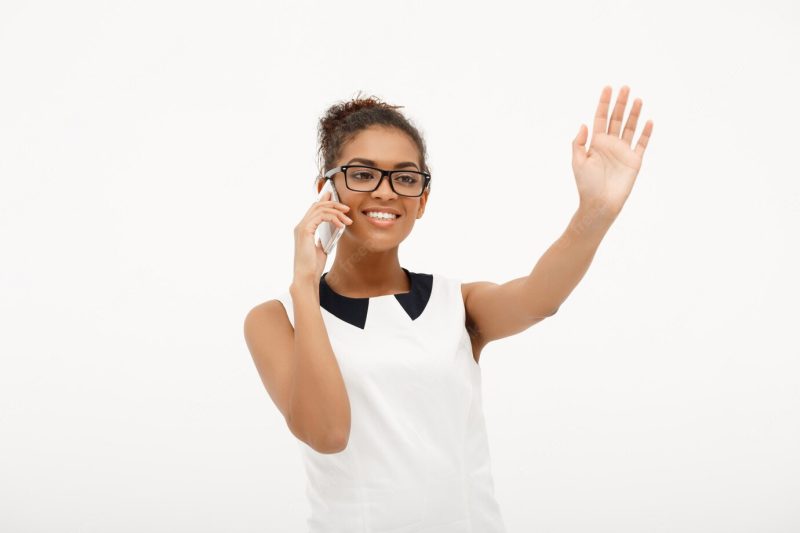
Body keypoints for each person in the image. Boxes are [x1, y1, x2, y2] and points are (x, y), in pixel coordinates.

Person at [244, 88, 653, 532]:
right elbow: (327, 434)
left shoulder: (455, 303)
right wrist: (305, 286)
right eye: (362, 174)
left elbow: (539, 299)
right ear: (326, 189)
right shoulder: (277, 318)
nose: (386, 192)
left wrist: (595, 212)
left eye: (405, 178)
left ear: (422, 199)